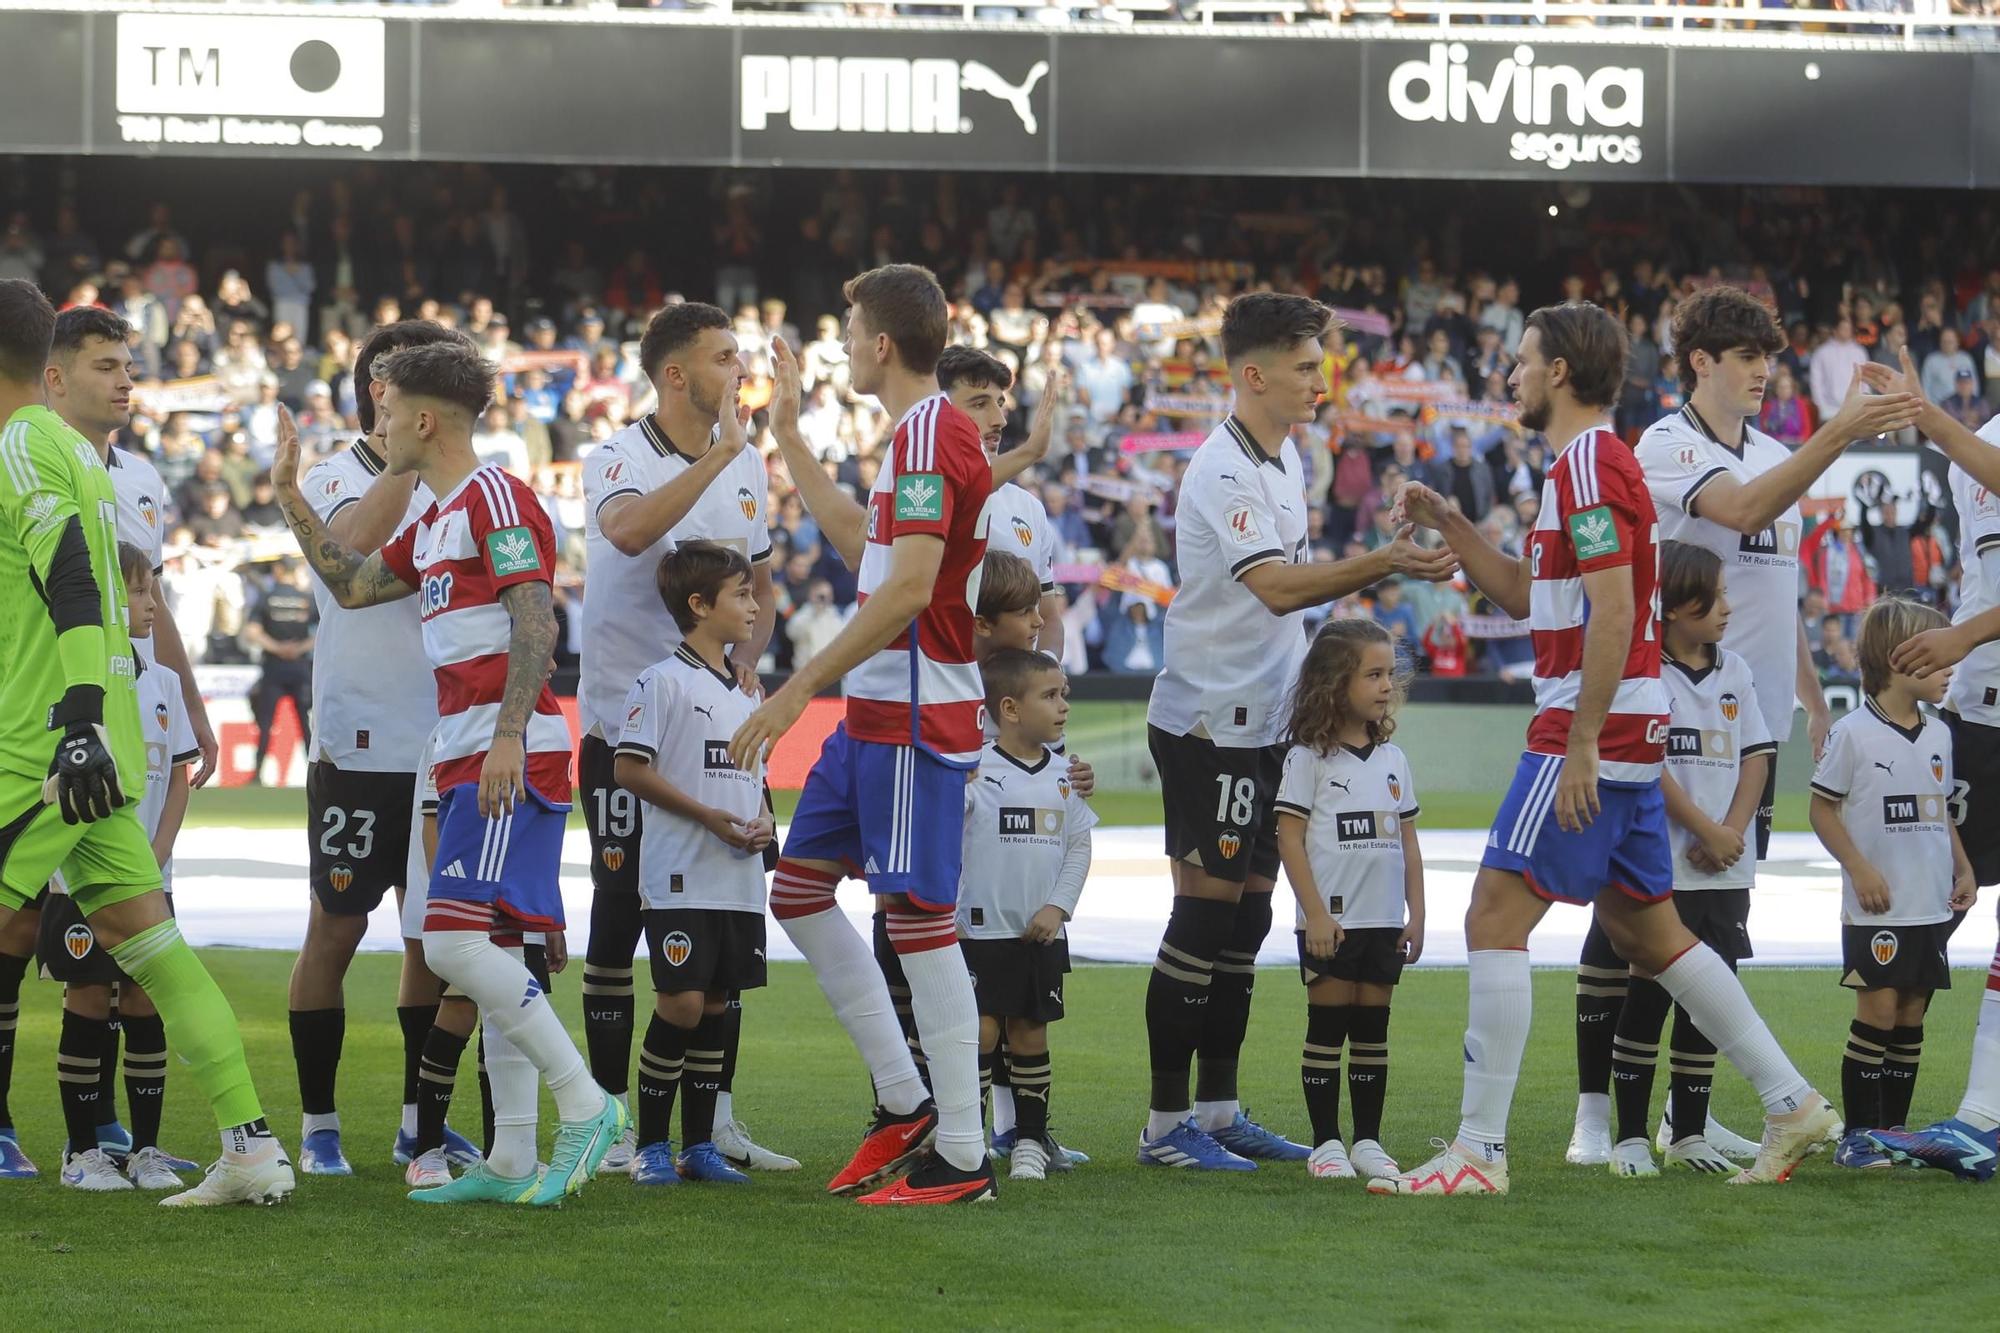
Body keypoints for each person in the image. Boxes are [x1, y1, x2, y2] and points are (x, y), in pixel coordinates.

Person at [1375, 301, 1838, 1196]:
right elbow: (1522, 594)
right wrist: (1451, 524)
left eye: (1521, 360)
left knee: (1493, 919)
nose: (1509, 374)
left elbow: (1619, 610)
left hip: (1590, 729)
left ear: (1557, 372)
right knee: (1649, 931)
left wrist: (1582, 740)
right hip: (1628, 725)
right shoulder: (1586, 465)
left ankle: (1479, 1152)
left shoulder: (1588, 465)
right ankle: (1792, 1101)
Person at [1564, 286, 1923, 1166]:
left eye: (1770, 357)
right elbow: (1744, 512)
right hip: (1665, 715)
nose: (1764, 372)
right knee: (1627, 928)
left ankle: (1687, 1124)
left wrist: (1811, 698)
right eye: (1746, 357)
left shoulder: (1772, 453)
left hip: (1744, 731)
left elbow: (1778, 599)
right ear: (1700, 362)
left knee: (1715, 929)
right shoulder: (1666, 444)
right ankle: (1592, 1116)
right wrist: (1839, 432)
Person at [272, 341, 624, 1207]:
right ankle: (508, 1157)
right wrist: (288, 495)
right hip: (459, 749)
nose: (377, 422)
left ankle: (586, 1101)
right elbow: (351, 585)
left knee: (456, 940)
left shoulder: (496, 495)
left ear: (423, 420)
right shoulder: (435, 519)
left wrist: (507, 734)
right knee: (491, 941)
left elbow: (536, 616)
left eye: (387, 410)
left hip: (504, 752)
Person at [1138, 293, 1455, 1172]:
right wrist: (1384, 562)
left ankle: (1219, 1108)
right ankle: (1166, 1128)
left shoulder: (1284, 459)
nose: (1323, 381)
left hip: (1268, 725)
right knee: (1201, 924)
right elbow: (1275, 588)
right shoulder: (1224, 470)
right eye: (1308, 366)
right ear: (1253, 374)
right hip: (1211, 724)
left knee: (1244, 926)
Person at [0, 277, 293, 1206]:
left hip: (40, 751)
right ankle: (250, 1146)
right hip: (97, 748)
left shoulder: (24, 441)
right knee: (158, 949)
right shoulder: (82, 456)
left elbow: (77, 581)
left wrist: (76, 719)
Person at [735, 264, 998, 1205]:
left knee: (919, 925)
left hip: (913, 715)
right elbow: (865, 546)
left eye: (849, 331)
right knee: (801, 891)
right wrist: (794, 438)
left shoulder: (930, 434)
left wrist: (796, 690)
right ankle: (906, 1101)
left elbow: (906, 591)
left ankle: (964, 1153)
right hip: (882, 713)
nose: (843, 345)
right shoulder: (916, 436)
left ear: (881, 343)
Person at [575, 301, 789, 1176]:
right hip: (628, 725)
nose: (740, 367)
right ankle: (612, 1120)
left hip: (724, 732)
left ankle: (715, 1124)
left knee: (727, 918)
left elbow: (763, 584)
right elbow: (626, 533)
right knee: (620, 916)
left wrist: (750, 661)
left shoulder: (746, 466)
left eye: (740, 352)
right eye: (722, 354)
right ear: (673, 374)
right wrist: (720, 458)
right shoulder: (615, 457)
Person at [288, 319, 481, 1180]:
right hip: (358, 738)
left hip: (445, 742)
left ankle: (419, 1123)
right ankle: (319, 1123)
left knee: (430, 940)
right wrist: (403, 465)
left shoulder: (467, 485)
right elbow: (352, 556)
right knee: (335, 926)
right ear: (379, 392)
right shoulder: (333, 474)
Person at [1603, 543, 1775, 1177]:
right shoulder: (1644, 674)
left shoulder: (1736, 672)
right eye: (1715, 597)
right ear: (1673, 605)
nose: (1728, 609)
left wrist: (1731, 831)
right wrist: (1702, 826)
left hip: (1725, 864)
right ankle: (1626, 1137)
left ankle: (1689, 1133)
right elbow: (1649, 764)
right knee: (1647, 995)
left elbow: (1756, 755)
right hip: (1663, 863)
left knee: (1711, 998)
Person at [36, 544, 200, 1191]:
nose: (151, 604)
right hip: (80, 878)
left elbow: (180, 778)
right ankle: (82, 1154)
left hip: (151, 877)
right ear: (105, 599)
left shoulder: (162, 683)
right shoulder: (74, 686)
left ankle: (147, 1151)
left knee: (143, 997)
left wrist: (156, 855)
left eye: (153, 592)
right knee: (87, 994)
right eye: (139, 593)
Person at [612, 541, 776, 1187]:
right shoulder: (661, 681)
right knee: (679, 1003)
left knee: (715, 1003)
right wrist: (707, 815)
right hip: (680, 870)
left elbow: (753, 780)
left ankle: (699, 1145)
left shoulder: (747, 690)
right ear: (699, 604)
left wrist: (764, 821)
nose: (754, 603)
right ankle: (651, 1145)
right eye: (741, 593)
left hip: (736, 876)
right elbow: (629, 767)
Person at [1808, 598, 1976, 1167]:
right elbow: (1822, 810)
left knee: (1910, 1017)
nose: (1950, 665)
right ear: (1900, 657)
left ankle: (1895, 1133)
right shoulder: (1852, 733)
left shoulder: (1939, 735)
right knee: (1876, 1015)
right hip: (1877, 908)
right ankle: (1857, 1137)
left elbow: (1940, 810)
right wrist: (1858, 867)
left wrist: (1963, 865)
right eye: (1938, 652)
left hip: (1929, 904)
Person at [1274, 619, 1424, 1184]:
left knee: (1372, 1030)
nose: (1387, 685)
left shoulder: (1393, 761)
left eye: (1390, 674)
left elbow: (1408, 843)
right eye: (1374, 674)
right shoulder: (1308, 758)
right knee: (1327, 1027)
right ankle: (1326, 1143)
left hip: (1384, 920)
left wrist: (1418, 915)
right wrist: (1315, 912)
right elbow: (1288, 837)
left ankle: (1367, 1140)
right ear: (1336, 683)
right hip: (1331, 922)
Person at [958, 648, 1095, 1183]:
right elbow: (950, 842)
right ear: (1010, 709)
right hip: (980, 930)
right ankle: (968, 1138)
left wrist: (1058, 907)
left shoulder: (1066, 775)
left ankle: (1031, 1142)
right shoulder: (975, 771)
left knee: (1031, 1034)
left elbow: (1078, 848)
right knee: (982, 1035)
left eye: (1064, 694)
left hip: (1039, 933)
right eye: (1051, 695)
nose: (1063, 705)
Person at [936, 345, 1068, 657]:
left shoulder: (1028, 508)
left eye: (1000, 403)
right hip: (941, 689)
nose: (999, 421)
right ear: (940, 411)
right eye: (979, 404)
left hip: (1008, 699)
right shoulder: (924, 494)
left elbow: (1048, 618)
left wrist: (1043, 672)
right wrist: (1031, 451)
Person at [244, 560, 316, 784]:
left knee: (265, 724)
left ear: (277, 571)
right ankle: (313, 778)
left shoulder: (266, 597)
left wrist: (277, 648)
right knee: (306, 724)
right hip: (300, 668)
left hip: (273, 667)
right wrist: (297, 649)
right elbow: (322, 633)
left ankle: (257, 776)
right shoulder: (307, 599)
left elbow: (251, 632)